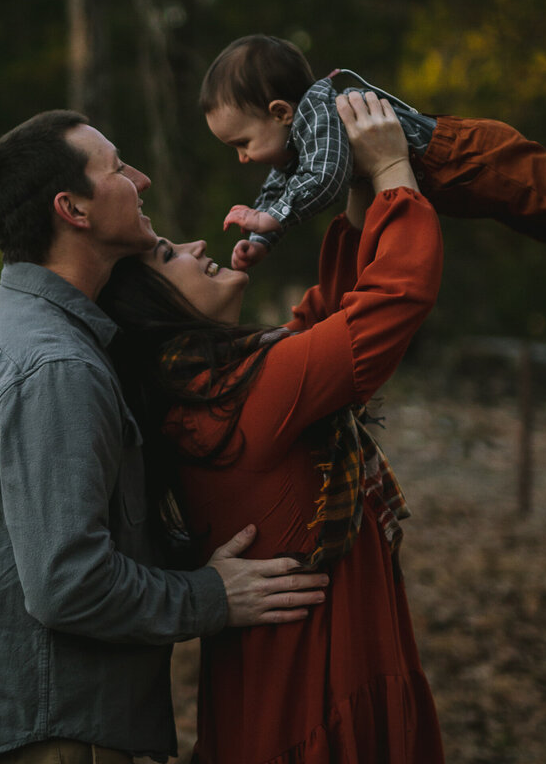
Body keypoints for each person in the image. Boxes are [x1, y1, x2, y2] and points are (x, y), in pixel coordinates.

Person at [0, 110, 332, 764]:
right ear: (74, 209)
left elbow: (71, 537)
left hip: (36, 722)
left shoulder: (8, 328)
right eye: (116, 169)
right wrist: (212, 597)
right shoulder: (54, 365)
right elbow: (68, 583)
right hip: (57, 733)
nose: (139, 178)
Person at [98, 90, 445, 762]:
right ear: (153, 305)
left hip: (279, 693)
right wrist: (395, 175)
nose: (197, 244)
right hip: (316, 693)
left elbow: (325, 320)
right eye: (170, 253)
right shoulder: (237, 392)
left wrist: (353, 187)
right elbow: (393, 299)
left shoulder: (208, 388)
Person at [201, 33, 546, 295]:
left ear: (280, 113)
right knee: (536, 218)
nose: (243, 156)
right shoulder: (294, 143)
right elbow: (279, 188)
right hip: (451, 184)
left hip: (468, 154)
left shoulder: (321, 114)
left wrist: (275, 218)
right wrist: (261, 237)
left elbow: (327, 178)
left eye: (241, 142)